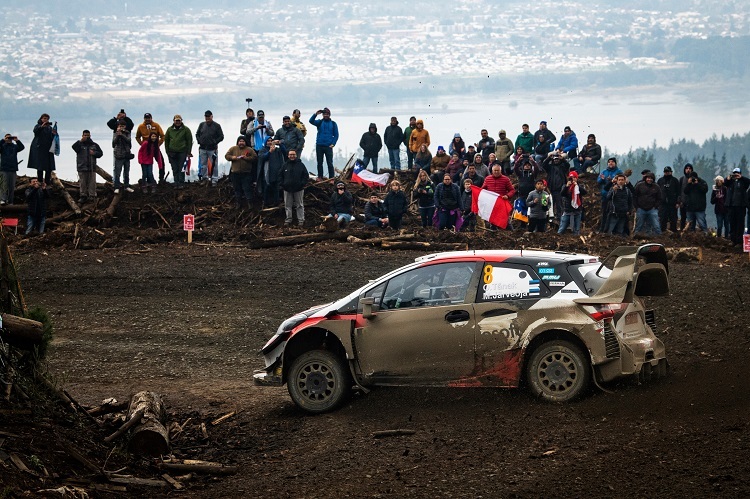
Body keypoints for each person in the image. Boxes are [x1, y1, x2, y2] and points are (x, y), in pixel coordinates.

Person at [225, 136, 257, 209]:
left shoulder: (249, 149)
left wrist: (246, 158)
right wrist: (232, 157)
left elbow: (255, 158)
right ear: (238, 142)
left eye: (243, 141)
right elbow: (227, 156)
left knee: (247, 189)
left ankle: (250, 204)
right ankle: (238, 204)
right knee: (237, 189)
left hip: (246, 173)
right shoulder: (233, 149)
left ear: (245, 142)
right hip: (235, 173)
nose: (241, 143)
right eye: (240, 141)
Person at [71, 130, 103, 203]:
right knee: (83, 183)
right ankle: (83, 196)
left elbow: (100, 153)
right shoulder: (79, 145)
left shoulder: (94, 145)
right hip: (82, 167)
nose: (86, 137)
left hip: (91, 167)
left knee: (92, 183)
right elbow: (74, 147)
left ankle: (92, 196)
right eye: (85, 135)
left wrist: (94, 153)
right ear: (82, 136)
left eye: (87, 135)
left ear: (90, 136)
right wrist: (80, 141)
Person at [280, 149, 308, 227]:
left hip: (298, 189)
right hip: (287, 189)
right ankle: (288, 220)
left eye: (293, 154)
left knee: (300, 205)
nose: (292, 156)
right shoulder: (285, 165)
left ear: (296, 155)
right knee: (287, 205)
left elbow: (306, 175)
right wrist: (283, 184)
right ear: (288, 156)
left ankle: (301, 220)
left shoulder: (301, 165)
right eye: (290, 155)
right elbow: (280, 176)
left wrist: (302, 184)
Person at [195, 110, 224, 185]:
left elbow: (221, 136)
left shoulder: (217, 126)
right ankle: (204, 179)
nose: (207, 118)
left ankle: (214, 180)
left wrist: (215, 142)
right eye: (206, 116)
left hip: (212, 149)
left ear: (212, 116)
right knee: (203, 165)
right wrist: (199, 141)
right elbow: (197, 134)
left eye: (208, 116)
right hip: (202, 148)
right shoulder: (201, 125)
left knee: (214, 165)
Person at [309, 108, 339, 179]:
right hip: (319, 145)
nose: (326, 115)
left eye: (327, 114)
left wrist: (333, 144)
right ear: (322, 115)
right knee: (319, 163)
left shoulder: (333, 124)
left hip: (328, 146)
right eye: (324, 114)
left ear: (329, 115)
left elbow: (336, 135)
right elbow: (311, 121)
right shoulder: (319, 122)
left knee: (330, 163)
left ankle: (331, 178)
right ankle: (320, 177)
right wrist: (315, 114)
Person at [164, 115, 193, 188]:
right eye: (176, 120)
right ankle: (176, 182)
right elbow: (166, 141)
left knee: (181, 168)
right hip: (172, 152)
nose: (177, 122)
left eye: (179, 120)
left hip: (182, 152)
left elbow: (189, 141)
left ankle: (181, 183)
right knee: (174, 168)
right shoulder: (169, 130)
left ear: (181, 121)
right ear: (173, 121)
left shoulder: (186, 129)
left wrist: (188, 152)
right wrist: (167, 152)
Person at [28, 113, 57, 184]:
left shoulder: (49, 128)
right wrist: (42, 127)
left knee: (49, 167)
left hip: (48, 149)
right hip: (40, 149)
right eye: (44, 118)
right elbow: (35, 132)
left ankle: (47, 181)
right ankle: (40, 181)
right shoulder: (37, 126)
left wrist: (54, 133)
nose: (45, 120)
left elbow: (51, 138)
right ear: (41, 119)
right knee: (40, 166)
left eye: (47, 119)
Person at [724, 167, 750, 245]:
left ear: (740, 174)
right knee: (732, 223)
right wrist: (728, 178)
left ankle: (739, 241)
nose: (736, 175)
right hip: (731, 206)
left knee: (740, 224)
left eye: (737, 173)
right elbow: (725, 183)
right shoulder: (730, 182)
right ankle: (732, 240)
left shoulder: (743, 182)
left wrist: (741, 177)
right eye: (734, 173)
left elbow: (748, 182)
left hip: (740, 206)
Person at [257, 137, 285, 207]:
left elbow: (285, 152)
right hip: (267, 173)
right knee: (266, 188)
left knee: (276, 189)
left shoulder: (277, 150)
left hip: (276, 172)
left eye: (271, 141)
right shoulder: (263, 150)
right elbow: (262, 157)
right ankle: (266, 203)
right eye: (268, 141)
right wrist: (269, 152)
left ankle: (276, 203)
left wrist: (280, 144)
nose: (269, 142)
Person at [542, 153, 570, 221]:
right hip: (550, 190)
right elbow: (543, 165)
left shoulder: (562, 167)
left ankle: (559, 219)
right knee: (548, 205)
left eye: (557, 159)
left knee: (559, 206)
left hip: (560, 190)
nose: (556, 160)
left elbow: (567, 165)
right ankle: (547, 219)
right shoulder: (550, 167)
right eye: (555, 159)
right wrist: (549, 158)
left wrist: (563, 159)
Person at [633, 172, 662, 236]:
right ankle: (636, 236)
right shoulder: (639, 185)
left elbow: (659, 198)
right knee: (639, 225)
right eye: (648, 178)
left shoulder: (656, 187)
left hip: (652, 209)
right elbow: (634, 196)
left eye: (651, 178)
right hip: (641, 209)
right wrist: (637, 207)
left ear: (653, 179)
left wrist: (655, 206)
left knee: (656, 225)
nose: (649, 179)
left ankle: (659, 238)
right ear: (645, 178)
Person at [597, 157, 623, 232]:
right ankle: (603, 229)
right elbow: (598, 181)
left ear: (615, 163)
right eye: (609, 162)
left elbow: (621, 181)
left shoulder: (619, 171)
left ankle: (615, 230)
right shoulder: (604, 171)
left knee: (614, 213)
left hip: (615, 196)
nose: (610, 163)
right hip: (605, 195)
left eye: (612, 162)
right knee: (604, 212)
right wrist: (602, 179)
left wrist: (611, 180)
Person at [0, 134, 24, 205]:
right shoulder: (2, 146)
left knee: (11, 187)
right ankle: (3, 200)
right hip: (4, 169)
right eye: (7, 137)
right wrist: (3, 140)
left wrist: (17, 141)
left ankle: (10, 201)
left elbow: (22, 147)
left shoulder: (15, 147)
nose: (9, 139)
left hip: (13, 169)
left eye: (10, 137)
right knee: (3, 185)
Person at [112, 120, 135, 194]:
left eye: (123, 126)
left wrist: (122, 135)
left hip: (126, 155)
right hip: (118, 155)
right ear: (118, 126)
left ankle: (126, 186)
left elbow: (128, 141)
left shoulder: (127, 133)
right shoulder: (115, 133)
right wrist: (118, 135)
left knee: (126, 172)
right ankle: (116, 187)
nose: (121, 127)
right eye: (120, 126)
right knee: (117, 172)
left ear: (125, 126)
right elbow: (113, 144)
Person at [657, 166, 681, 232]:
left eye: (668, 172)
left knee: (673, 219)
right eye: (665, 172)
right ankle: (662, 233)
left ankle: (674, 233)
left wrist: (678, 202)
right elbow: (657, 192)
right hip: (663, 204)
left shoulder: (675, 180)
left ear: (671, 172)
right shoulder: (660, 180)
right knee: (662, 219)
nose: (667, 173)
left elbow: (679, 192)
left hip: (672, 204)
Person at [678, 163, 694, 230]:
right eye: (687, 168)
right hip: (683, 203)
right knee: (683, 219)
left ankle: (691, 233)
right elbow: (679, 191)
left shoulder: (695, 180)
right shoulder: (682, 179)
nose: (688, 170)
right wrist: (679, 201)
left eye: (690, 169)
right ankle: (682, 232)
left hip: (691, 203)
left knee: (691, 220)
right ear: (684, 170)